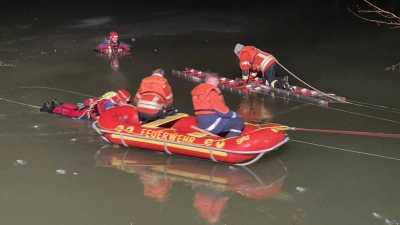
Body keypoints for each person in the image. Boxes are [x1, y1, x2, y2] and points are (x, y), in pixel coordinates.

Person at [191, 71, 244, 137]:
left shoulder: (198, 92)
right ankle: (229, 142)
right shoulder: (211, 92)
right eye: (216, 80)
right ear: (210, 81)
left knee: (226, 120)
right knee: (239, 121)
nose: (218, 82)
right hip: (212, 123)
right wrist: (236, 115)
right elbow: (223, 112)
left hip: (201, 123)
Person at [39, 89, 131, 120]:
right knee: (71, 113)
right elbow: (107, 117)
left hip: (91, 107)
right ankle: (51, 108)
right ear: (119, 99)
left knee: (75, 108)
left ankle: (58, 104)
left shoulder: (113, 96)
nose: (126, 103)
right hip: (88, 114)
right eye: (124, 101)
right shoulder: (109, 104)